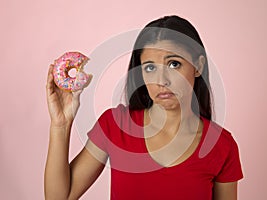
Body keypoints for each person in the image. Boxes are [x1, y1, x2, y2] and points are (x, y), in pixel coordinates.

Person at [45, 15, 243, 200]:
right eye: (149, 67)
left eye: (174, 64)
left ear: (198, 65)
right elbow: (59, 197)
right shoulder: (116, 125)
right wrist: (60, 125)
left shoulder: (221, 146)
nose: (161, 80)